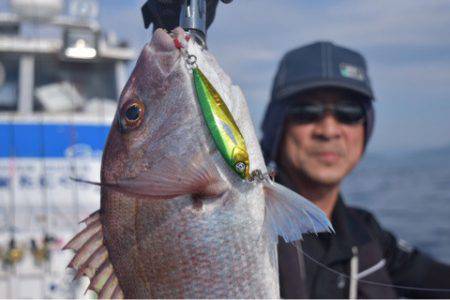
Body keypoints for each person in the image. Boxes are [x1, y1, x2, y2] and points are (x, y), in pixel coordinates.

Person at [261, 41, 450, 298]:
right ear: (277, 127)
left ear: (365, 128)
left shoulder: (368, 234)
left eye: (348, 113)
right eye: (306, 112)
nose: (328, 131)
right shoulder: (238, 221)